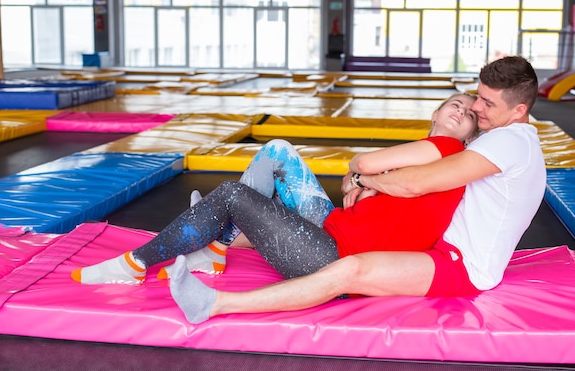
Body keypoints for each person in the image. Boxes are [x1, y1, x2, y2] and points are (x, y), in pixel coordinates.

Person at [164, 55, 547, 324]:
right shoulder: (507, 139)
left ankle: (215, 302)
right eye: (477, 96)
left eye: (487, 103)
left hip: (462, 266)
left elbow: (414, 183)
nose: (477, 108)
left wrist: (364, 180)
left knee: (350, 269)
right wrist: (367, 184)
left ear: (519, 110)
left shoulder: (509, 141)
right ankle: (222, 233)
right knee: (326, 235)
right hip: (436, 247)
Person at [71, 92, 479, 285]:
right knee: (279, 151)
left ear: (470, 136)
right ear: (436, 110)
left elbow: (365, 164)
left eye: (467, 113)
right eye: (454, 104)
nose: (459, 111)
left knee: (232, 195)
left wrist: (361, 176)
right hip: (334, 226)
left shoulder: (449, 149)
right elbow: (363, 180)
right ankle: (215, 242)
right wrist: (361, 182)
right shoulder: (426, 158)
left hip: (332, 258)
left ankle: (135, 264)